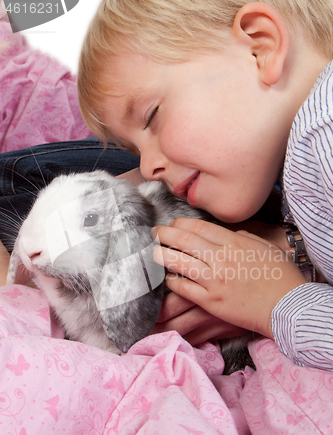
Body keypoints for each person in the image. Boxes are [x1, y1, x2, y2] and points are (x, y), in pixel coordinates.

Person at [75, 0, 333, 371]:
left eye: (152, 116)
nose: (148, 168)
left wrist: (278, 302)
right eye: (135, 151)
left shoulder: (324, 128)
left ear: (261, 46)